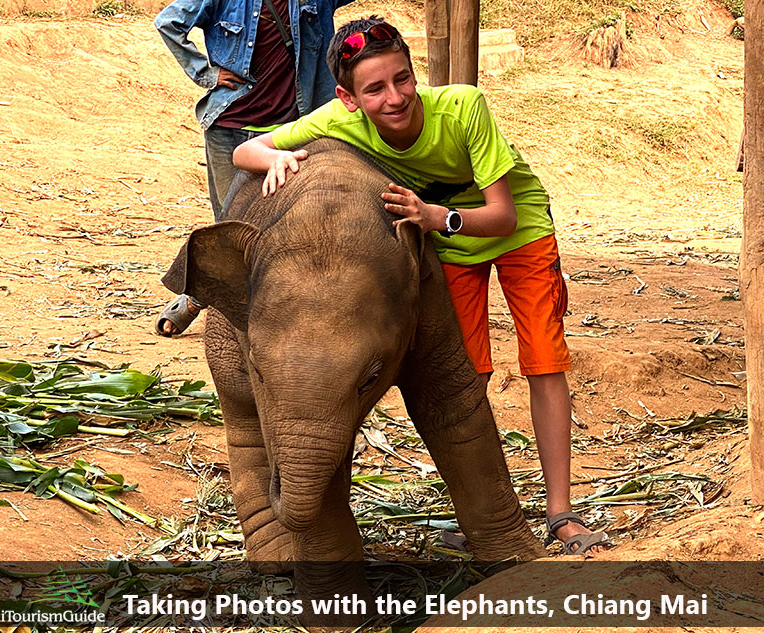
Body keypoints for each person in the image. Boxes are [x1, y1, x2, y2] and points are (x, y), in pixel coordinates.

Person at [232, 16, 611, 555]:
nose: (395, 97)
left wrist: (437, 217)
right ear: (347, 98)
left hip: (514, 231)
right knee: (462, 374)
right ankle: (480, 515)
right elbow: (245, 151)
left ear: (415, 73)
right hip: (446, 237)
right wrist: (276, 157)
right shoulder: (340, 121)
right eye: (375, 89)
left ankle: (560, 515)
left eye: (402, 79)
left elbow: (502, 215)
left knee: (543, 362)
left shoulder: (462, 108)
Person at [153, 0, 355, 336]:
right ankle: (199, 303)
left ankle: (285, 310)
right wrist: (207, 73)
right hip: (230, 130)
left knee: (293, 222)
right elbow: (169, 22)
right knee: (230, 227)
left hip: (288, 134)